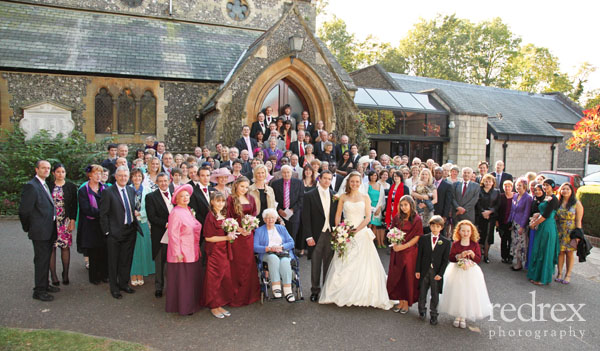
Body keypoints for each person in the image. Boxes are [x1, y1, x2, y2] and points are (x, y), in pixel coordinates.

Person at [319, 172, 393, 309]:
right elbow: (337, 215)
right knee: (343, 262)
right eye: (352, 181)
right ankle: (340, 292)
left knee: (363, 265)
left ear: (360, 183)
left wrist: (356, 230)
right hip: (345, 233)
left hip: (360, 232)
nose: (354, 184)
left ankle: (363, 293)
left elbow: (367, 218)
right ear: (348, 183)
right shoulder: (343, 197)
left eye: (357, 182)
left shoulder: (365, 197)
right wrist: (339, 231)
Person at [19, 160, 61, 301]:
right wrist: (29, 227)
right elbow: (24, 211)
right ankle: (39, 291)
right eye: (43, 168)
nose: (46, 170)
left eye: (48, 168)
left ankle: (45, 284)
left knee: (45, 259)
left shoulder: (44, 184)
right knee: (41, 261)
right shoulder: (32, 186)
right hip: (40, 231)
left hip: (48, 230)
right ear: (36, 169)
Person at [438, 220, 492, 329]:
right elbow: (451, 257)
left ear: (471, 232)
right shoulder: (456, 244)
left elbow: (478, 259)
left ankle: (463, 316)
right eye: (463, 231)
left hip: (470, 272)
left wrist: (472, 255)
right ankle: (458, 315)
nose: (465, 233)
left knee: (468, 292)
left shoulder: (474, 244)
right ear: (459, 232)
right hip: (457, 270)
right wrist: (459, 255)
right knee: (458, 292)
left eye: (468, 231)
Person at [99, 166, 139, 299]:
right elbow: (103, 214)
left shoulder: (131, 190)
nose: (123, 178)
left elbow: (131, 208)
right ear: (115, 177)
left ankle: (123, 283)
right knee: (113, 261)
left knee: (126, 260)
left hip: (130, 230)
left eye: (125, 176)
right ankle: (114, 288)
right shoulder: (108, 192)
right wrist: (107, 232)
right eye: (120, 175)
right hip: (114, 233)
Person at [165, 184, 202, 315]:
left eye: (187, 195)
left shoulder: (188, 210)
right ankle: (184, 307)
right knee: (184, 281)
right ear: (177, 199)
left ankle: (192, 304)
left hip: (192, 250)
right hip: (182, 253)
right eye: (182, 196)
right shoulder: (175, 212)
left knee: (190, 280)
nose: (185, 198)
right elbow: (173, 234)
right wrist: (177, 252)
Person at [302, 171, 336, 301]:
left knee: (329, 262)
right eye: (325, 178)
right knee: (316, 263)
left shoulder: (334, 195)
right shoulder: (309, 195)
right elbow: (305, 218)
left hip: (330, 233)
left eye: (329, 179)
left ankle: (326, 289)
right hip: (316, 234)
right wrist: (308, 236)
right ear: (319, 179)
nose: (327, 181)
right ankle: (315, 291)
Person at [227, 176, 261, 306]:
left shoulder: (251, 198)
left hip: (248, 236)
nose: (244, 189)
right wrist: (239, 229)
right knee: (237, 264)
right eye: (242, 186)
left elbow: (254, 215)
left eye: (246, 187)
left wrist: (250, 227)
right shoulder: (230, 199)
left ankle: (250, 294)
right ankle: (236, 294)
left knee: (248, 263)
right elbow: (228, 217)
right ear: (236, 185)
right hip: (236, 236)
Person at [387, 196, 423, 314]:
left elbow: (417, 237)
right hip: (397, 250)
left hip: (409, 252)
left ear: (411, 205)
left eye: (406, 205)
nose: (403, 208)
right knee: (397, 276)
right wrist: (394, 243)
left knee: (407, 276)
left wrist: (404, 246)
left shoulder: (417, 219)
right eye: (401, 205)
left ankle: (407, 303)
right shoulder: (397, 217)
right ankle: (400, 301)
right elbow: (392, 231)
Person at [202, 191, 235, 318]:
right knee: (214, 278)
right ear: (212, 202)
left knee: (223, 277)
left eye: (222, 201)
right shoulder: (210, 216)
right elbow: (208, 238)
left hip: (225, 250)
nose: (220, 203)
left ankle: (219, 303)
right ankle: (213, 306)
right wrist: (226, 238)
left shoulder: (224, 214)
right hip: (215, 251)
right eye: (218, 201)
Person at [254, 208, 298, 302]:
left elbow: (291, 242)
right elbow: (255, 247)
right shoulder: (259, 231)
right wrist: (269, 248)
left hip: (282, 252)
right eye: (268, 218)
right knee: (273, 259)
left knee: (286, 261)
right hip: (267, 253)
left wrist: (281, 247)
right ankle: (276, 287)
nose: (270, 220)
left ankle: (287, 290)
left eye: (273, 218)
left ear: (276, 218)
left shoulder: (281, 228)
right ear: (264, 219)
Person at [415, 215, 451, 325]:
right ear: (430, 226)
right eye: (433, 226)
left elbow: (445, 260)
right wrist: (417, 270)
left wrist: (441, 273)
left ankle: (434, 314)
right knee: (422, 292)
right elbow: (419, 256)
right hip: (424, 270)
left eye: (437, 226)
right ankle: (422, 310)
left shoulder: (445, 242)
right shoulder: (424, 239)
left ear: (441, 228)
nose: (435, 228)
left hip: (436, 272)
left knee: (435, 294)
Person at [48, 163, 78, 286]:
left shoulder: (70, 186)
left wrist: (72, 220)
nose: (61, 174)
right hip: (51, 222)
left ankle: (65, 273)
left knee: (65, 247)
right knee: (52, 248)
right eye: (58, 172)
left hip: (64, 221)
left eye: (63, 172)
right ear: (53, 173)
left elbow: (74, 205)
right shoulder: (49, 186)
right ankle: (53, 275)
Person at [78, 165, 108, 285]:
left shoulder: (105, 188)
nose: (98, 176)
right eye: (96, 173)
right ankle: (94, 276)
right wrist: (103, 213)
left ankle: (104, 275)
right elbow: (86, 209)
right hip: (90, 224)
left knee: (104, 250)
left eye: (100, 174)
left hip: (103, 224)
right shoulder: (83, 190)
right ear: (90, 175)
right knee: (93, 251)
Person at [527, 179, 560, 285]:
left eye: (547, 185)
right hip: (542, 226)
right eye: (544, 185)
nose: (545, 187)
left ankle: (543, 278)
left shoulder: (554, 199)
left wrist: (534, 223)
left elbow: (546, 215)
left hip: (547, 227)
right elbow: (542, 211)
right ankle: (535, 275)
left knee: (545, 251)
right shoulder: (546, 197)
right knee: (538, 250)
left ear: (552, 187)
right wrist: (536, 216)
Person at [144, 173, 172, 298]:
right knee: (160, 262)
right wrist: (166, 224)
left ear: (169, 181)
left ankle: (173, 286)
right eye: (160, 181)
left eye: (165, 181)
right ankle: (159, 287)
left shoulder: (176, 194)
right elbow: (152, 217)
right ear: (156, 182)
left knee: (173, 262)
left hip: (175, 235)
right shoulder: (151, 197)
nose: (163, 183)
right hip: (160, 234)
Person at [129, 168, 155, 286]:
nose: (137, 178)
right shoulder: (127, 189)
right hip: (130, 223)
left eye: (139, 176)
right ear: (131, 177)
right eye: (134, 176)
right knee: (132, 249)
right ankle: (133, 273)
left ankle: (141, 272)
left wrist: (141, 213)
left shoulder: (147, 190)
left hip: (143, 222)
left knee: (142, 249)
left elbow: (150, 207)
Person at [555, 182, 584, 284]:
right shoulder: (558, 202)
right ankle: (559, 273)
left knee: (569, 253)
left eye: (567, 189)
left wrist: (578, 235)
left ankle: (568, 275)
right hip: (560, 231)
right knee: (560, 252)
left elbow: (578, 220)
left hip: (571, 232)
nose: (565, 191)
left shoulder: (576, 203)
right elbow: (555, 217)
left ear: (571, 191)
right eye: (563, 189)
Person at [271, 166, 304, 243]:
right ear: (281, 173)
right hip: (280, 214)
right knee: (279, 236)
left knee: (292, 236)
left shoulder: (299, 183)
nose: (286, 174)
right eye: (284, 172)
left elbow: (301, 198)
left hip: (294, 214)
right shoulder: (275, 184)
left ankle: (291, 253)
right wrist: (279, 210)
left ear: (291, 173)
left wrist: (292, 210)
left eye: (288, 172)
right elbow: (273, 199)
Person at [508, 178, 532, 271]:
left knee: (521, 244)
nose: (518, 187)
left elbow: (526, 213)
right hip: (514, 223)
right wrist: (510, 222)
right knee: (514, 242)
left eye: (520, 185)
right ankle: (516, 261)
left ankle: (519, 263)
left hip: (521, 224)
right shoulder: (515, 196)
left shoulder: (528, 198)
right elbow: (512, 210)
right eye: (517, 185)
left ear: (525, 186)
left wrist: (522, 226)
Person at [475, 174, 500, 263]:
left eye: (490, 181)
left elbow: (497, 205)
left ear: (493, 182)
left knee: (488, 237)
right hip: (480, 216)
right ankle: (477, 255)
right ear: (483, 182)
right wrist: (483, 212)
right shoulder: (479, 191)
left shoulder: (496, 192)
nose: (488, 183)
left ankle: (486, 255)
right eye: (486, 181)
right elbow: (477, 203)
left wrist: (489, 212)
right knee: (479, 236)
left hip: (491, 217)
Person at [364, 171, 386, 248]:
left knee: (374, 226)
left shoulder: (380, 186)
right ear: (369, 176)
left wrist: (379, 208)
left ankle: (371, 242)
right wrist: (369, 208)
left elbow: (382, 199)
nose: (374, 177)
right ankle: (366, 242)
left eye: (375, 176)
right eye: (372, 175)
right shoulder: (366, 185)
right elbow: (364, 197)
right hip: (368, 207)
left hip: (377, 207)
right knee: (368, 225)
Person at [411, 169, 437, 233]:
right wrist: (422, 197)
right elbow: (412, 193)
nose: (424, 176)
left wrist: (425, 205)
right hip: (418, 208)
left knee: (427, 229)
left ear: (429, 176)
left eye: (426, 174)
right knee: (418, 229)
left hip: (428, 210)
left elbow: (435, 200)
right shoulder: (417, 184)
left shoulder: (432, 186)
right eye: (423, 174)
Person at [526, 184, 545, 269]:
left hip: (541, 227)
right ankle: (530, 265)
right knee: (531, 246)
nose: (537, 192)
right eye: (536, 190)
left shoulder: (546, 201)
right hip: (532, 226)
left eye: (539, 190)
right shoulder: (534, 199)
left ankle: (537, 267)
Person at [497, 180, 515, 264]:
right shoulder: (500, 196)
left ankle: (510, 257)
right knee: (503, 240)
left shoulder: (515, 196)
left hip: (512, 222)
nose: (507, 188)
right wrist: (497, 222)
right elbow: (497, 209)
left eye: (509, 186)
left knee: (511, 240)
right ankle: (504, 256)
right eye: (505, 186)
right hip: (502, 222)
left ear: (512, 187)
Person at [433, 167, 453, 236]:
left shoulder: (447, 185)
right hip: (430, 211)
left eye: (439, 173)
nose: (438, 174)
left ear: (442, 174)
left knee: (440, 232)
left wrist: (445, 215)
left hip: (440, 212)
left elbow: (448, 202)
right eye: (436, 173)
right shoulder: (430, 183)